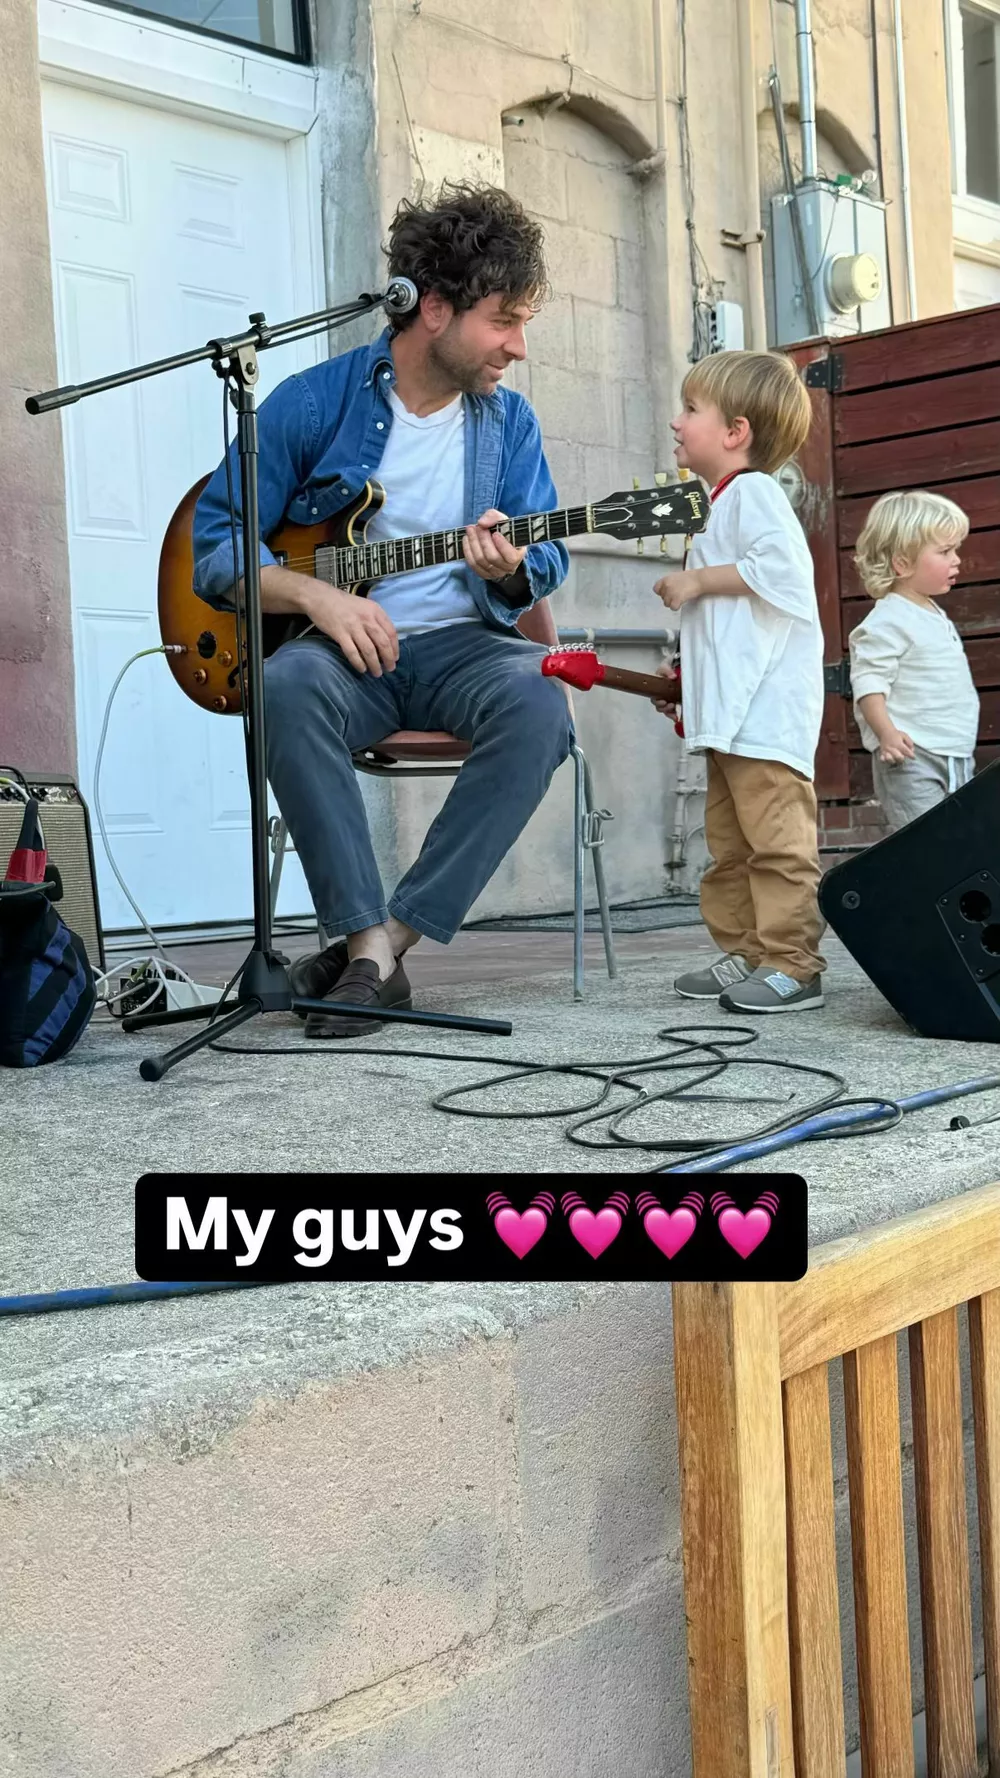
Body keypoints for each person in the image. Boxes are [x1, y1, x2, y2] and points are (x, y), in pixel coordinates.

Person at [192, 183, 572, 1037]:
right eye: (503, 321)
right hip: (344, 659)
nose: (517, 346)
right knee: (283, 686)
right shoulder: (311, 402)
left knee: (541, 700)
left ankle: (384, 951)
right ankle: (363, 941)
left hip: (465, 648)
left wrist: (515, 569)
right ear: (433, 308)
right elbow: (217, 543)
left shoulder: (509, 425)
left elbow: (548, 554)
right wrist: (313, 596)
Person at [651, 349, 826, 1013]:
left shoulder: (754, 494)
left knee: (776, 845)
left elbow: (782, 574)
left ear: (735, 432)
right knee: (730, 848)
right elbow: (729, 626)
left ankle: (793, 965)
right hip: (731, 719)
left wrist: (697, 580)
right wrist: (684, 676)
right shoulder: (720, 505)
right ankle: (749, 952)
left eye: (691, 409)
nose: (677, 421)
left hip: (765, 717)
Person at [848, 490, 978, 832]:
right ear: (902, 563)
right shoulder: (888, 620)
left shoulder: (933, 613)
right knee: (925, 843)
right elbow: (869, 683)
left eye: (956, 550)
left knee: (959, 842)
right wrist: (886, 733)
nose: (956, 560)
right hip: (910, 755)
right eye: (945, 551)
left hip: (955, 753)